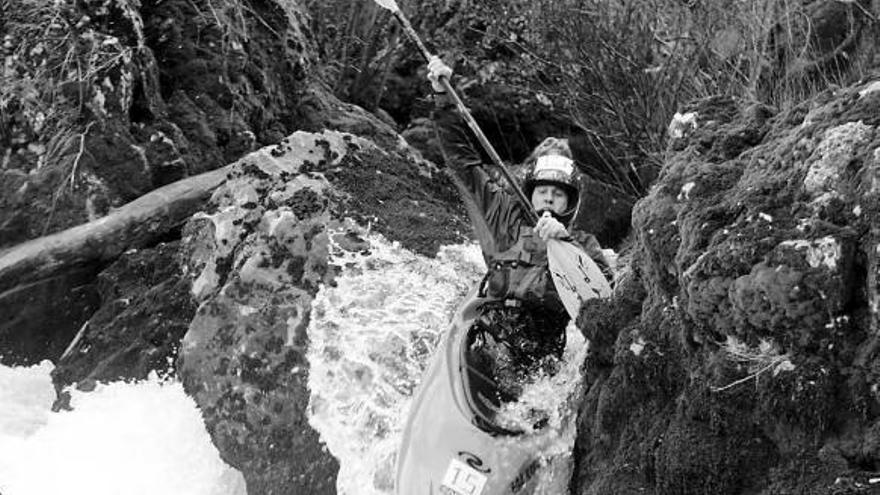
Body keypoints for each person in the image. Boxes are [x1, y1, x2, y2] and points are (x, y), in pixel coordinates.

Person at [426, 57, 612, 403]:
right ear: (529, 192)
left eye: (557, 195)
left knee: (527, 391)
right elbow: (463, 164)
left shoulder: (582, 244)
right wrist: (442, 99)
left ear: (570, 205)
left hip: (542, 350)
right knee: (494, 364)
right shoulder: (501, 213)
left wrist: (566, 242)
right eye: (542, 191)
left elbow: (605, 297)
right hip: (493, 330)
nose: (548, 200)